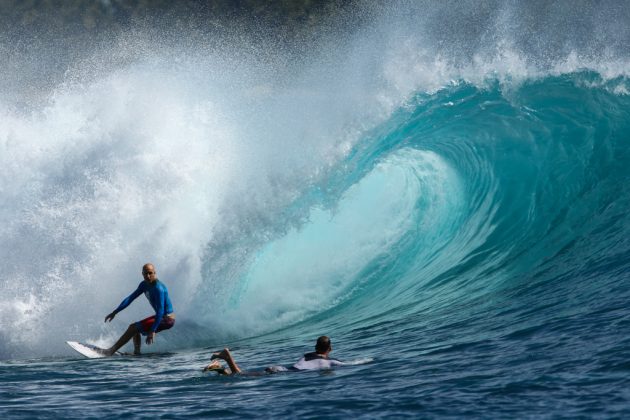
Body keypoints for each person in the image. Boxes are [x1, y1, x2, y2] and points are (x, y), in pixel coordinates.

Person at [102, 263, 175, 356]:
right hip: (161, 317)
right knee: (135, 327)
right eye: (145, 274)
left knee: (133, 328)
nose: (148, 276)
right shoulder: (144, 285)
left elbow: (160, 311)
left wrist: (153, 330)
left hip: (167, 319)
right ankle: (137, 352)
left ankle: (110, 351)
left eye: (150, 273)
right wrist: (115, 312)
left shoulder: (158, 288)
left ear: (154, 273)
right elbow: (130, 298)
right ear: (142, 274)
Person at [203, 336, 344, 375]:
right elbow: (352, 364)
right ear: (330, 348)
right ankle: (227, 356)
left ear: (315, 347)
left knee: (237, 374)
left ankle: (220, 369)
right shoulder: (329, 362)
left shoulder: (309, 354)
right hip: (281, 372)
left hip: (280, 368)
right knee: (240, 375)